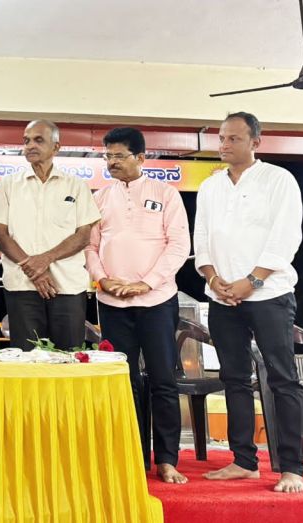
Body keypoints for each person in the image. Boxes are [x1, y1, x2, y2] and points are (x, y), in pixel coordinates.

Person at [195, 112, 303, 493]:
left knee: (282, 378)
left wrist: (252, 281)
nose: (224, 145)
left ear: (255, 142)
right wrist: (214, 280)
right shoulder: (210, 186)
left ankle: (292, 468)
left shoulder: (278, 180)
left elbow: (285, 237)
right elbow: (202, 240)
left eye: (233, 139)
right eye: (221, 138)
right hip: (221, 296)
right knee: (234, 378)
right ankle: (244, 461)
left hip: (269, 295)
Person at [85, 127, 191, 483]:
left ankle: (167, 459)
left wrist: (146, 282)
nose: (112, 162)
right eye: (108, 156)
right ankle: (131, 455)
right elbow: (89, 246)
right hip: (112, 302)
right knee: (122, 381)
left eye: (119, 156)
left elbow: (179, 245)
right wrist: (103, 279)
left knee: (163, 379)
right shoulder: (100, 197)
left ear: (141, 158)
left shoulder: (165, 194)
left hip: (157, 300)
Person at [0, 120, 100, 351]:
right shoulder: (7, 185)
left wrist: (43, 260)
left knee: (69, 357)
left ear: (56, 147)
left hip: (67, 287)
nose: (30, 145)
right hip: (22, 286)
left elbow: (83, 236)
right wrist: (33, 269)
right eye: (26, 141)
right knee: (27, 358)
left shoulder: (76, 186)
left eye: (38, 140)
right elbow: (1, 235)